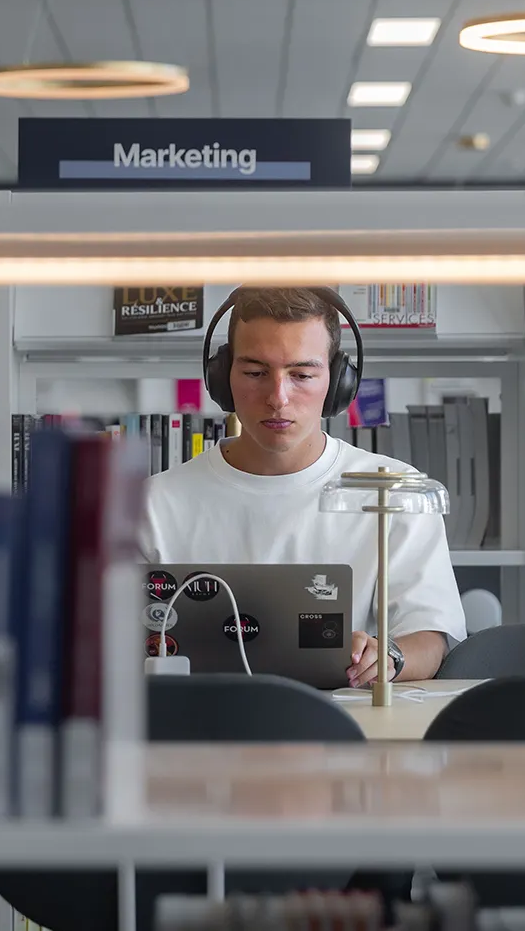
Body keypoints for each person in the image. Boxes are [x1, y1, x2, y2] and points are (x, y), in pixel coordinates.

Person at [139, 286, 466, 686]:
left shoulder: (395, 491)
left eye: (302, 375)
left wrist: (390, 656)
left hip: (345, 733)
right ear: (222, 378)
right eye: (256, 373)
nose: (278, 397)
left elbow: (432, 637)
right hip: (193, 732)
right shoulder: (151, 504)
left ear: (339, 382)